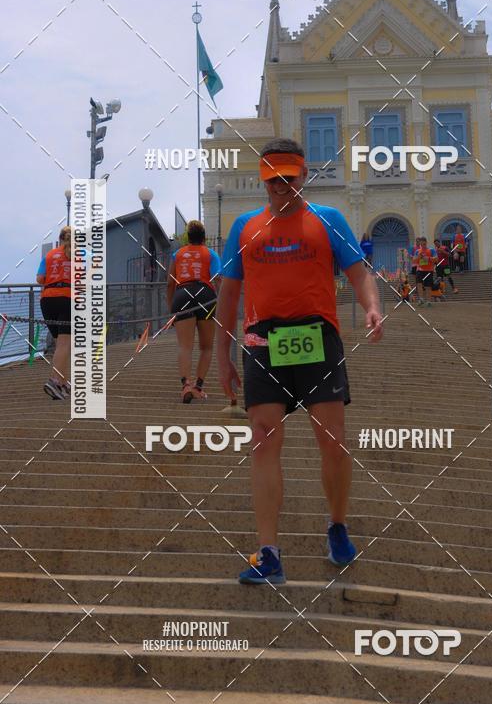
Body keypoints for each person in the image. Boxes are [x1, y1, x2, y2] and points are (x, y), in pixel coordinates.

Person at [216, 138, 383, 585]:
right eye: (272, 181)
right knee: (263, 442)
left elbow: (359, 272)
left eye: (288, 180)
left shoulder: (328, 220)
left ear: (303, 175)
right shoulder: (244, 227)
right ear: (262, 179)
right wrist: (223, 355)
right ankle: (268, 553)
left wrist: (372, 306)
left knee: (333, 441)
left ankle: (337, 525)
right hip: (262, 341)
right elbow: (228, 294)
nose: (280, 188)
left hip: (317, 337)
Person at [166, 220, 221, 403]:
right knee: (206, 347)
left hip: (182, 294)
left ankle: (185, 385)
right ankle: (198, 387)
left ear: (188, 237)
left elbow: (170, 282)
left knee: (185, 346)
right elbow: (218, 279)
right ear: (204, 237)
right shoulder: (211, 253)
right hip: (205, 295)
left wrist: (170, 305)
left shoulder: (178, 254)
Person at [36, 226, 72, 400]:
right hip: (67, 299)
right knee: (65, 344)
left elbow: (40, 279)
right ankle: (54, 381)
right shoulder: (79, 256)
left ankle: (64, 382)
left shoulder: (48, 256)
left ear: (60, 239)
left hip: (47, 300)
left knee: (61, 345)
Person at [415, 236, 436, 306]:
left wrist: (428, 258)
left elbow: (436, 259)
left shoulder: (431, 250)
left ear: (426, 243)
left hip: (429, 270)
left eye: (424, 244)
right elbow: (414, 261)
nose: (422, 246)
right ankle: (421, 299)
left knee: (428, 286)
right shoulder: (417, 251)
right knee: (419, 283)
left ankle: (429, 301)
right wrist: (418, 257)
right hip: (419, 270)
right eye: (421, 245)